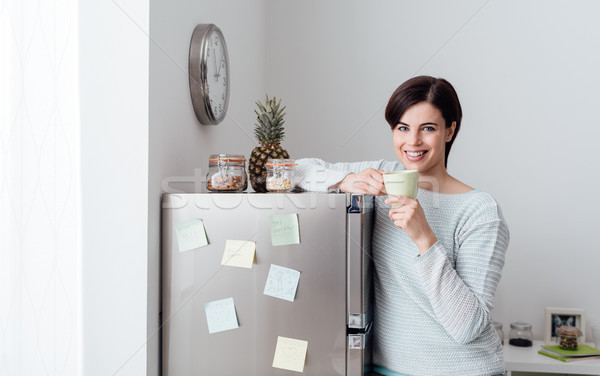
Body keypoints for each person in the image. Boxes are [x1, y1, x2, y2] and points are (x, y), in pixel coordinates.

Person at [294, 76, 509, 376]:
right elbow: (293, 170)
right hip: (384, 368)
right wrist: (342, 181)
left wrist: (425, 239)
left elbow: (468, 327)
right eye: (402, 128)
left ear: (450, 131)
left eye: (428, 129)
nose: (413, 142)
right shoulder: (385, 178)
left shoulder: (480, 211)